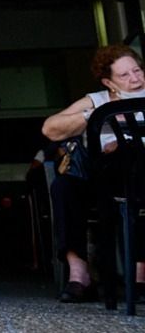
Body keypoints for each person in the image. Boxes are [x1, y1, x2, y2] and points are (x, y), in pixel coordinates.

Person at [41, 43, 145, 303]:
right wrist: (95, 116)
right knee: (63, 187)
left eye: (138, 71)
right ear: (109, 82)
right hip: (98, 180)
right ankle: (79, 275)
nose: (135, 79)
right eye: (125, 75)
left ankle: (141, 276)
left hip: (139, 177)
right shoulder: (97, 100)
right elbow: (50, 129)